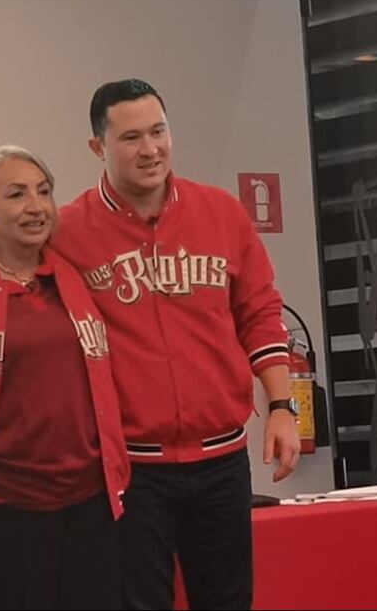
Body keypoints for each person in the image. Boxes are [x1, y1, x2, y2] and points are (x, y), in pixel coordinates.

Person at [53, 78, 301, 610]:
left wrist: (282, 406)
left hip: (222, 459)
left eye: (159, 132)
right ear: (98, 147)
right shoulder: (66, 232)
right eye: (131, 137)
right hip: (131, 470)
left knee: (228, 600)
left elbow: (259, 311)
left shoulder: (221, 213)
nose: (151, 149)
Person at [0, 145, 130, 610]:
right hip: (7, 507)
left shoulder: (75, 277)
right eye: (17, 194)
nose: (37, 206)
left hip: (92, 502)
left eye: (44, 192)